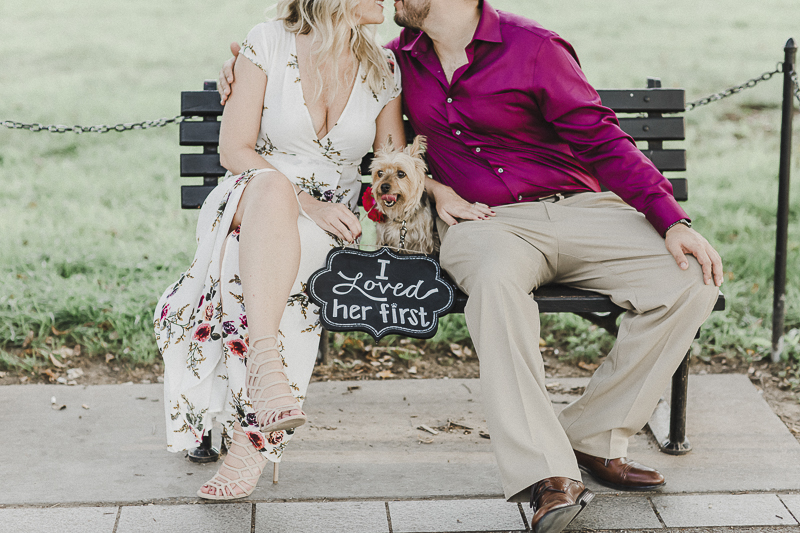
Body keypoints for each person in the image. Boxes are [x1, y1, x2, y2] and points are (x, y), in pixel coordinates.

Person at [220, 0, 724, 530]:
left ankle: (594, 434)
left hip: (578, 209)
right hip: (483, 224)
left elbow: (603, 139)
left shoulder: (534, 48)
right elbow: (318, 70)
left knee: (689, 278)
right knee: (496, 286)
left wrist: (671, 220)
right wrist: (241, 67)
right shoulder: (400, 60)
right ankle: (547, 474)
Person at [154, 0, 404, 500]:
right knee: (271, 193)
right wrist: (304, 200)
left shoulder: (385, 66)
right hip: (253, 196)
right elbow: (235, 151)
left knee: (248, 267)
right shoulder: (267, 42)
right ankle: (262, 401)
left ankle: (250, 427)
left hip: (330, 220)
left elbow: (392, 160)